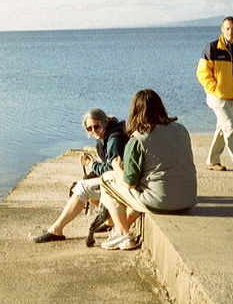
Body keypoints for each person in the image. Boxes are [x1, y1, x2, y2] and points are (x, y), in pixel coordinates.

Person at [98, 89, 197, 250]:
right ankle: (118, 229)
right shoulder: (181, 130)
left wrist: (116, 167)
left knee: (106, 180)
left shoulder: (138, 139)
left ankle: (123, 236)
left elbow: (129, 183)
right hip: (188, 199)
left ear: (134, 111)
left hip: (160, 202)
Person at [32, 108, 127, 243]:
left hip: (121, 184)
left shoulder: (114, 139)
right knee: (82, 183)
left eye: (96, 126)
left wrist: (91, 164)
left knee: (82, 188)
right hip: (118, 182)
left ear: (105, 122)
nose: (94, 131)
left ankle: (56, 230)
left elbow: (112, 167)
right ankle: (110, 221)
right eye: (89, 129)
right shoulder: (107, 135)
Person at [196, 16, 233, 175]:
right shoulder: (212, 48)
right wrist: (215, 89)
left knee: (223, 128)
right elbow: (202, 74)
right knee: (230, 126)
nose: (230, 31)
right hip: (216, 96)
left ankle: (212, 160)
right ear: (222, 29)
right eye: (227, 28)